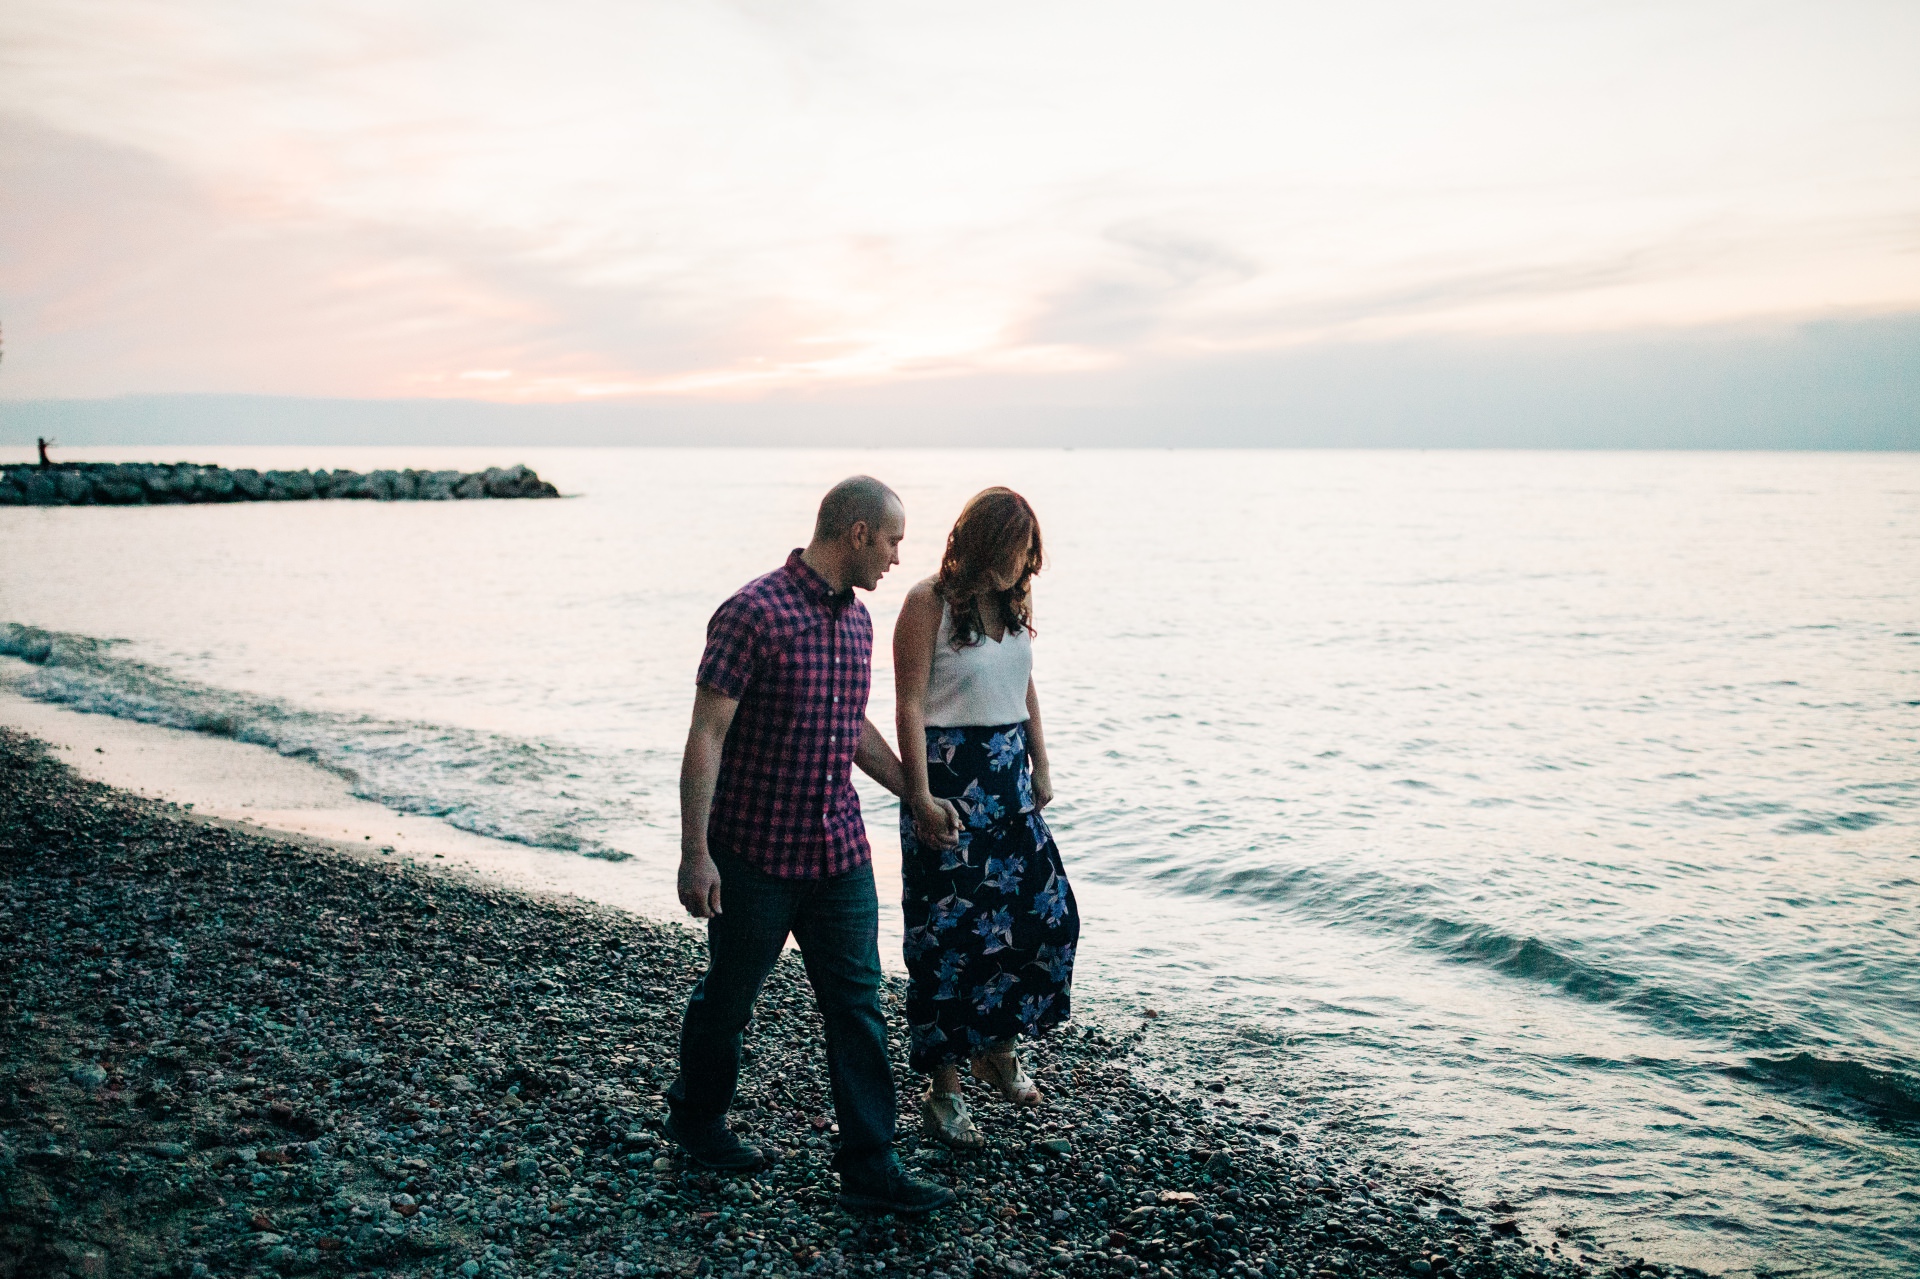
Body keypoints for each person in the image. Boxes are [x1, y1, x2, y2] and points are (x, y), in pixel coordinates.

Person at [667, 475, 955, 1215]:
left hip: (837, 854)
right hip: (754, 854)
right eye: (892, 539)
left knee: (858, 1004)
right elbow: (707, 734)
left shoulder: (858, 624)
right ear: (856, 532)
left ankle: (870, 1165)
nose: (897, 556)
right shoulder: (751, 613)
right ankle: (697, 1121)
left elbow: (851, 727)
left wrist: (914, 794)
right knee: (729, 999)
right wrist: (694, 852)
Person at [892, 486, 1080, 1151]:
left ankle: (997, 1048)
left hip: (1009, 778)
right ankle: (944, 1094)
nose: (1029, 561)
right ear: (987, 542)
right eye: (1020, 547)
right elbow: (909, 705)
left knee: (1046, 920)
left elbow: (1023, 681)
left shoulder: (1013, 601)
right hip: (950, 781)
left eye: (1032, 550)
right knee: (947, 945)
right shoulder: (927, 604)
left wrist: (1041, 764)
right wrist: (918, 794)